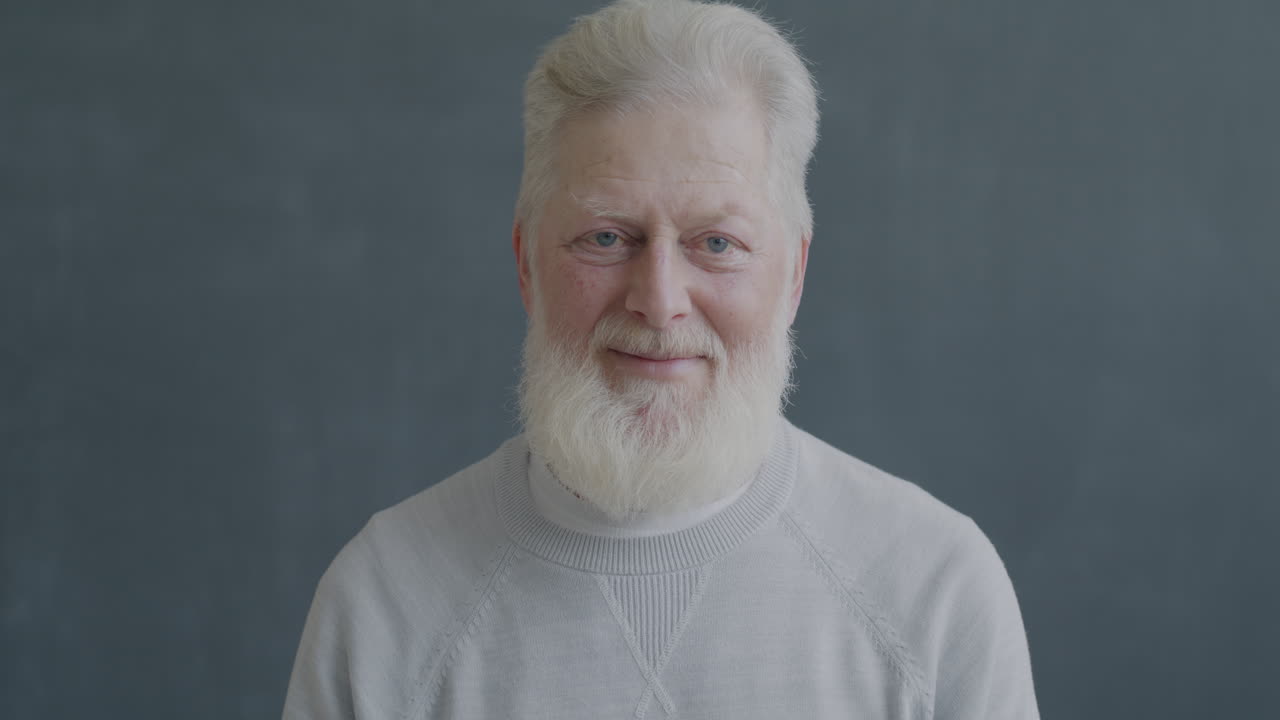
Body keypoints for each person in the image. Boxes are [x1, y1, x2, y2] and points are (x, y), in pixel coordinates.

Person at [283, 0, 1040, 717]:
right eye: (607, 237)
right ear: (526, 264)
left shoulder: (933, 592)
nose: (660, 300)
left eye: (717, 243)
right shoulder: (385, 603)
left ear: (794, 274)